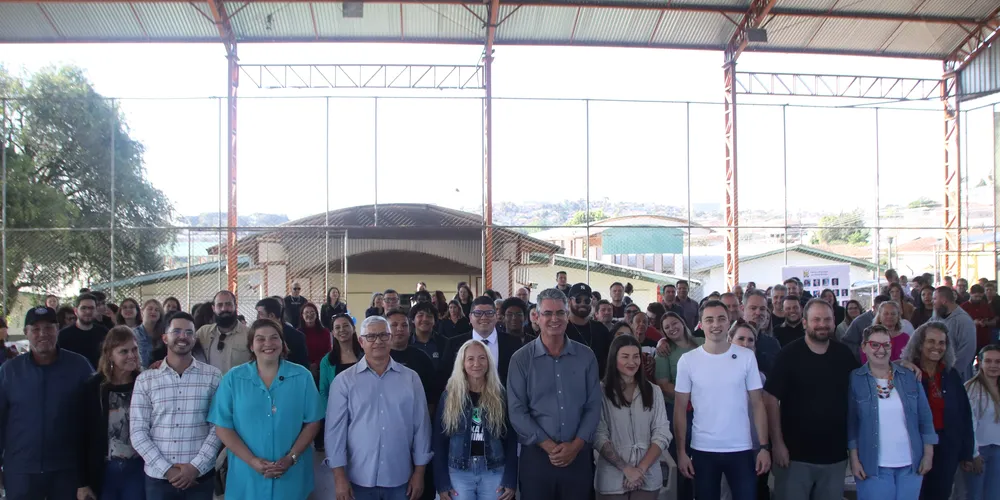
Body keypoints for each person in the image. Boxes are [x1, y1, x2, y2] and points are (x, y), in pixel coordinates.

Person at [208, 319, 323, 500]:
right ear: (251, 346)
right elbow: (222, 426)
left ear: (282, 344)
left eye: (274, 338)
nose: (268, 344)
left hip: (291, 476)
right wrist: (252, 461)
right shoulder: (233, 379)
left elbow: (313, 421)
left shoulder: (302, 376)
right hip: (246, 477)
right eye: (260, 339)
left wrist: (291, 458)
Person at [507, 288, 602, 500]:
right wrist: (549, 447)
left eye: (560, 313)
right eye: (548, 313)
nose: (554, 319)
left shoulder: (586, 356)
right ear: (537, 317)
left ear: (567, 316)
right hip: (537, 458)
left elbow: (593, 406)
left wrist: (575, 446)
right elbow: (516, 411)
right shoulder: (521, 359)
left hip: (578, 457)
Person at [326, 315, 432, 500]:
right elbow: (335, 433)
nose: (378, 341)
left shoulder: (411, 378)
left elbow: (421, 427)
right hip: (358, 479)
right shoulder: (344, 381)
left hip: (400, 477)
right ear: (361, 341)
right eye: (371, 336)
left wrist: (420, 473)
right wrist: (339, 478)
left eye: (384, 335)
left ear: (390, 339)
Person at [674, 300, 769, 500]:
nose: (715, 324)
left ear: (728, 323)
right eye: (709, 320)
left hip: (742, 449)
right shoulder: (688, 361)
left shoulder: (746, 357)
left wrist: (763, 447)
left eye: (721, 319)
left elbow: (758, 404)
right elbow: (680, 409)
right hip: (703, 450)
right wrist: (681, 452)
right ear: (701, 324)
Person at [765, 299, 859, 500]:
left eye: (827, 319)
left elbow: (863, 387)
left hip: (834, 457)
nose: (822, 324)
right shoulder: (788, 355)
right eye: (816, 319)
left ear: (834, 322)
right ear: (805, 322)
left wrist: (900, 364)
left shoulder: (844, 355)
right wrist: (777, 444)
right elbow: (771, 399)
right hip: (794, 456)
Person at [0, 306, 93, 499]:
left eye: (49, 328)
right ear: (26, 333)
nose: (43, 334)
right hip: (21, 471)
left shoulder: (80, 366)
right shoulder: (9, 371)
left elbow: (94, 417)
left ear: (58, 329)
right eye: (35, 329)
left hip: (66, 471)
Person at [130, 311, 222, 500]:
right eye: (177, 331)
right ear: (165, 337)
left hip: (200, 478)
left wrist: (196, 467)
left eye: (189, 332)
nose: (183, 337)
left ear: (195, 338)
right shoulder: (146, 380)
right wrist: (167, 470)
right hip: (159, 479)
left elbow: (218, 427)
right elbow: (138, 432)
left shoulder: (213, 376)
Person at [848, 325, 936, 500]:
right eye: (875, 345)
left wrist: (928, 454)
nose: (881, 350)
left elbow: (925, 418)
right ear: (864, 347)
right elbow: (852, 424)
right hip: (872, 466)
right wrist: (854, 459)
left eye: (886, 345)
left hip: (911, 465)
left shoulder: (909, 376)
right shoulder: (855, 379)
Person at [432, 339, 517, 500]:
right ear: (462, 363)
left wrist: (510, 479)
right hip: (458, 472)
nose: (476, 363)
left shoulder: (500, 395)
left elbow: (511, 440)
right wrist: (442, 483)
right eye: (470, 359)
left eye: (482, 358)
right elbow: (439, 441)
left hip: (493, 470)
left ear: (489, 362)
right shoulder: (450, 396)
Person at [899, 321, 975, 499]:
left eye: (942, 343)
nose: (937, 347)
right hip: (915, 448)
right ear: (920, 344)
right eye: (931, 341)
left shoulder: (951, 374)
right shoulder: (906, 373)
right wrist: (899, 363)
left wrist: (967, 452)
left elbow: (964, 414)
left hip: (947, 448)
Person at [594, 335, 671, 500]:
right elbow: (598, 434)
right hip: (611, 478)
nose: (632, 362)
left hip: (647, 476)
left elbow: (662, 433)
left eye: (636, 356)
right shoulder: (600, 391)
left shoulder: (654, 391)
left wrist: (640, 470)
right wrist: (626, 469)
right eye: (625, 356)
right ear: (614, 358)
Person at [78, 326, 145, 500]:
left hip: (138, 468)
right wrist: (82, 482)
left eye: (134, 349)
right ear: (110, 355)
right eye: (124, 351)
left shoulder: (145, 383)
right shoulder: (94, 387)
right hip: (104, 470)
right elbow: (82, 436)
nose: (131, 355)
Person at [727, 320, 771, 500]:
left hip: (753, 449)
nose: (746, 344)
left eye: (750, 340)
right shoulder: (714, 372)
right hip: (723, 449)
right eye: (741, 339)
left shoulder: (760, 377)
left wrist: (764, 447)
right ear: (730, 340)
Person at [962, 345, 1000, 500]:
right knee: (975, 496)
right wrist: (973, 453)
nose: (993, 365)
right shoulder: (971, 388)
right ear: (981, 363)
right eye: (989, 361)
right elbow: (969, 423)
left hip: (998, 450)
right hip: (979, 451)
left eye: (998, 362)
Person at [565, 283, 613, 379]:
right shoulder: (561, 329)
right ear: (569, 301)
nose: (583, 304)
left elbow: (611, 359)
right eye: (578, 300)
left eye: (587, 300)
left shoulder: (601, 329)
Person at [196, 290, 251, 375]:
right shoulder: (203, 333)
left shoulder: (249, 334)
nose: (224, 309)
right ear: (213, 308)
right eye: (220, 305)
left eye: (228, 304)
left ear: (235, 306)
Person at [930, 286, 978, 380]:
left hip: (957, 375)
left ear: (944, 300)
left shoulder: (964, 320)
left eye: (935, 299)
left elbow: (967, 350)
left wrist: (952, 371)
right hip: (938, 372)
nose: (933, 302)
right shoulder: (937, 317)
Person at [254, 297, 311, 368]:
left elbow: (302, 365)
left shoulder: (296, 337)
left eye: (260, 314)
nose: (257, 317)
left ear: (271, 316)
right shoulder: (255, 335)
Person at [58, 292, 109, 369]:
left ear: (95, 310)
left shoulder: (104, 333)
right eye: (84, 308)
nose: (88, 312)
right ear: (76, 311)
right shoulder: (63, 335)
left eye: (91, 308)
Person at [409, 301, 449, 371]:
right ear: (413, 319)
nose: (425, 319)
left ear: (434, 321)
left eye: (429, 316)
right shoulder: (406, 343)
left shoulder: (445, 343)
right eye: (420, 315)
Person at [962, 284, 997, 351]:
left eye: (980, 296)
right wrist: (973, 322)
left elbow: (994, 322)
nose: (978, 298)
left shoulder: (985, 306)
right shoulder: (963, 307)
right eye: (976, 296)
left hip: (984, 340)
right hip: (968, 340)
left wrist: (986, 323)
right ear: (970, 294)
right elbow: (959, 324)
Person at [300, 301, 331, 377]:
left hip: (322, 368)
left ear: (316, 314)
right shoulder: (298, 333)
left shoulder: (325, 332)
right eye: (306, 312)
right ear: (302, 315)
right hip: (303, 369)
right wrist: (308, 365)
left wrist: (316, 364)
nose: (309, 315)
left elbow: (328, 351)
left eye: (312, 312)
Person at [135, 299, 164, 369]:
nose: (153, 311)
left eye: (157, 310)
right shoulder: (133, 333)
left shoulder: (164, 335)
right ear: (142, 312)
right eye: (150, 309)